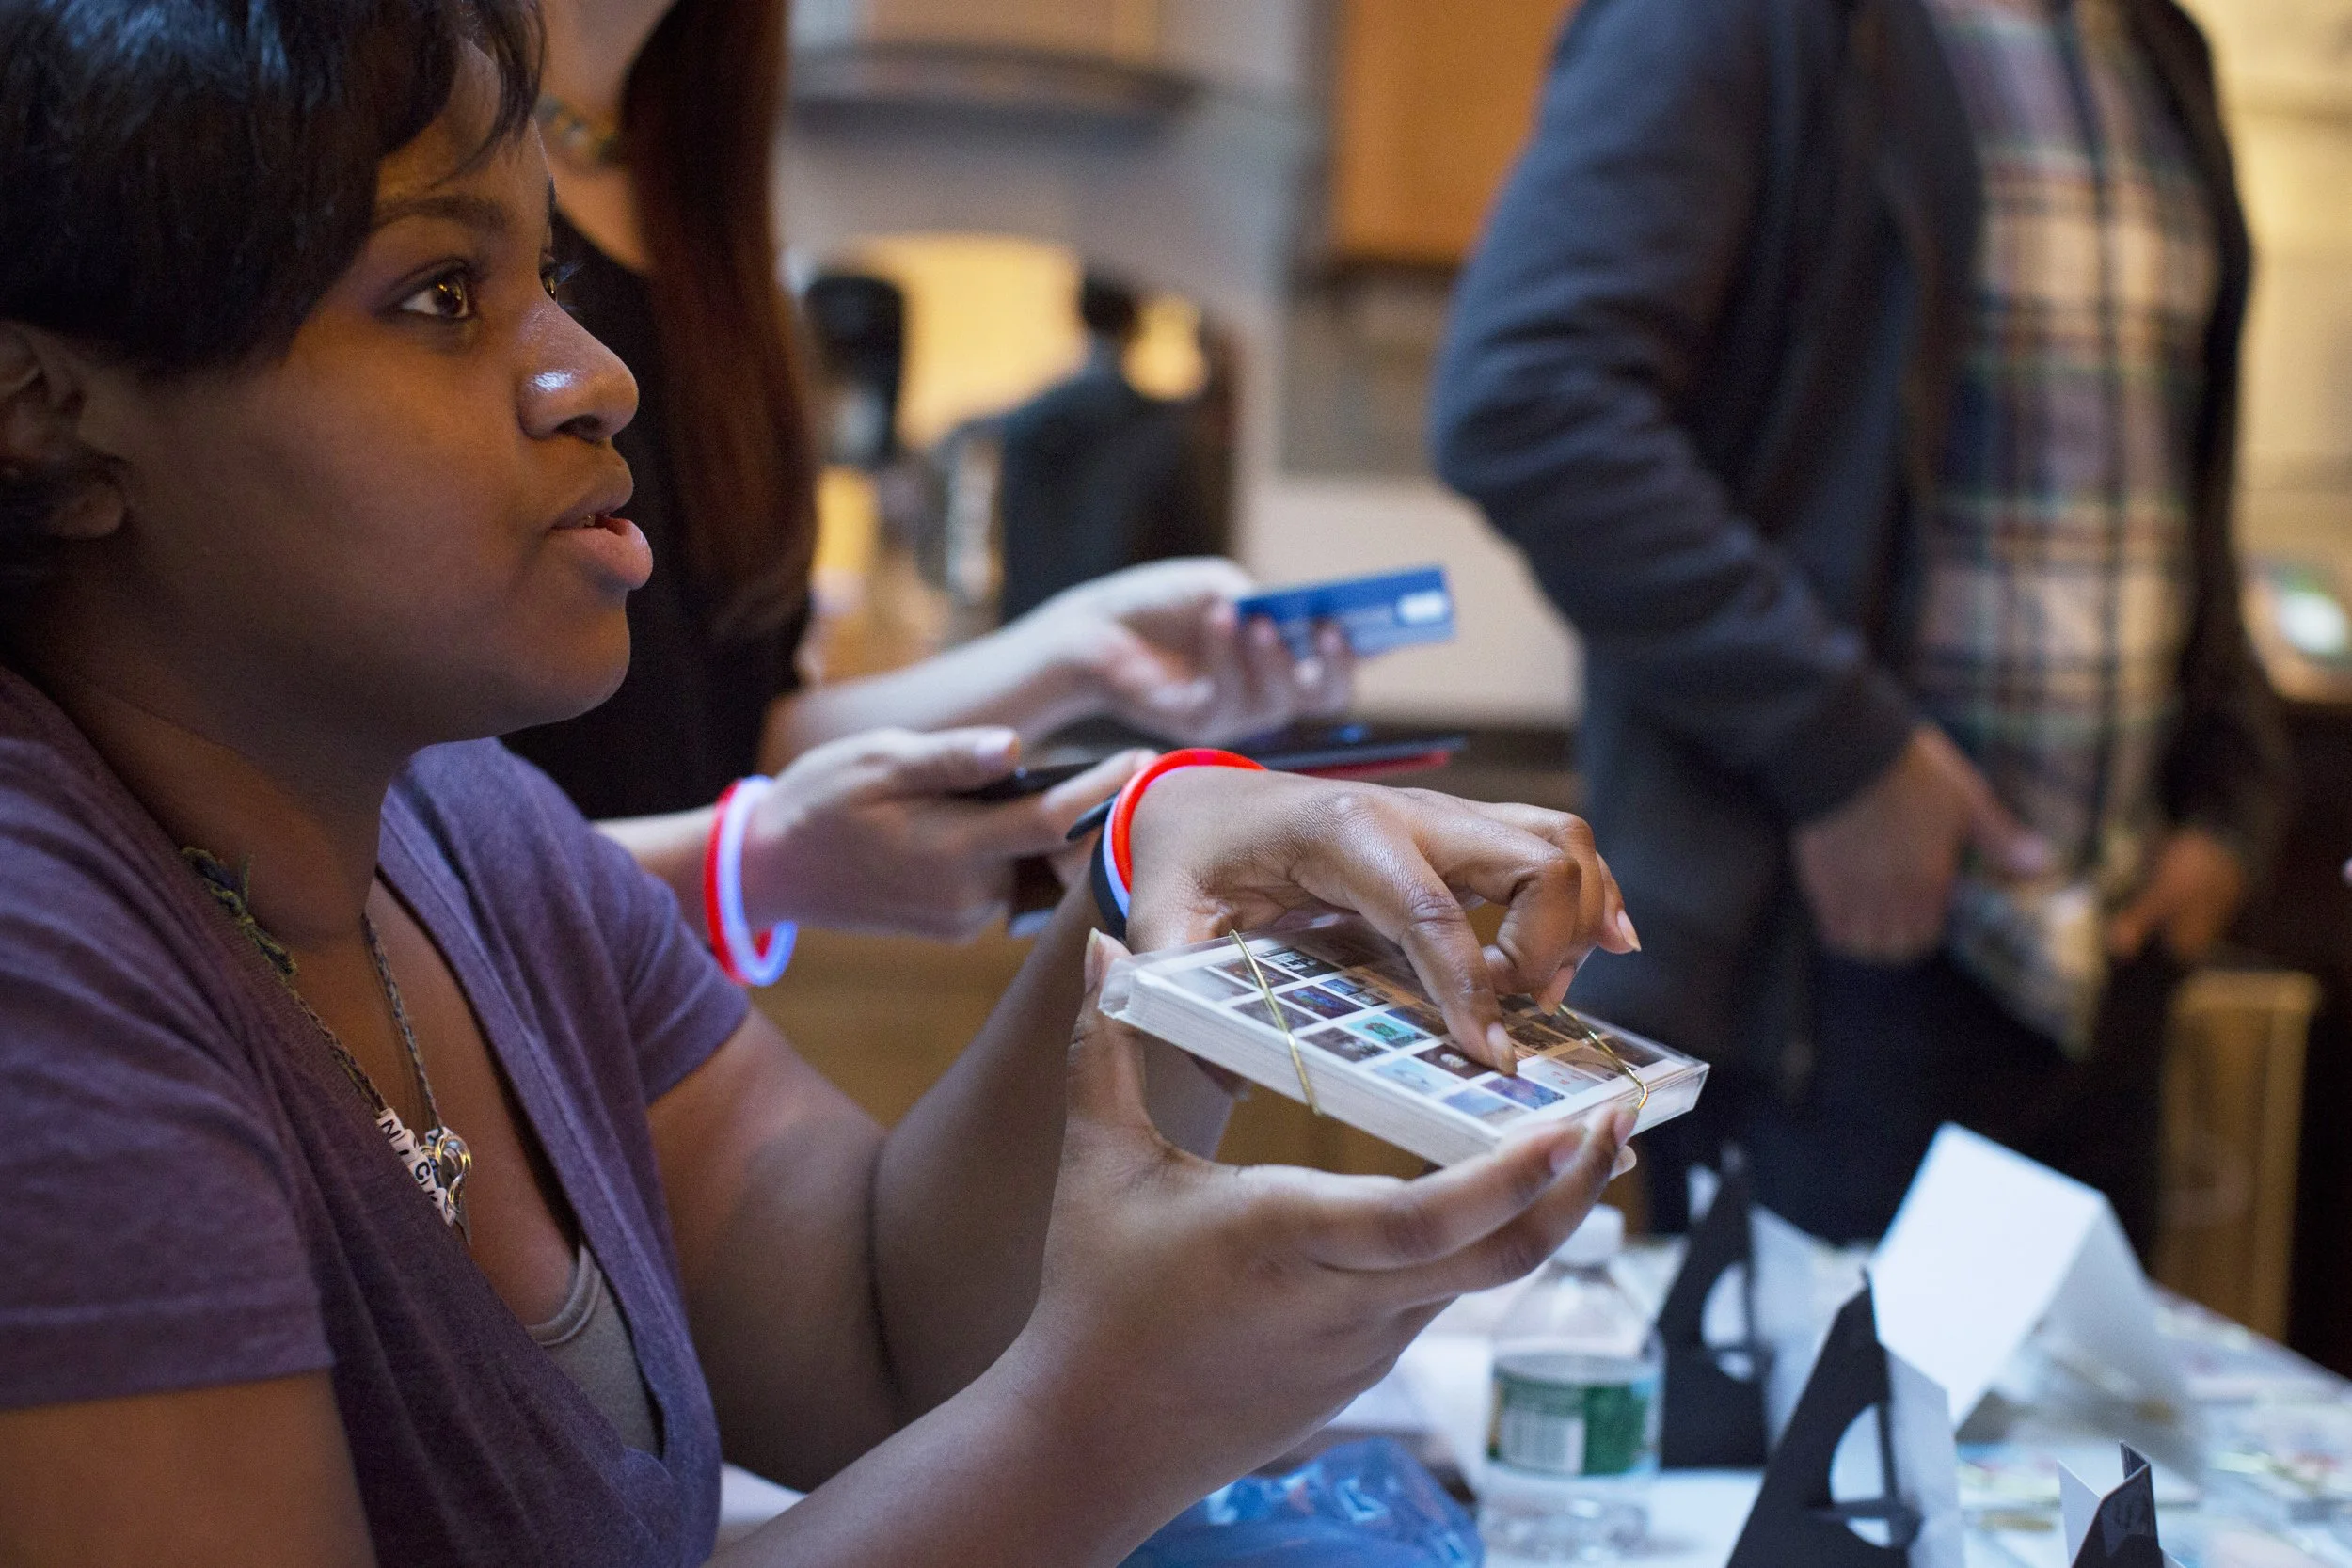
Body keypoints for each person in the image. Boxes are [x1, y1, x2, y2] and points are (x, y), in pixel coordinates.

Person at [0, 4, 1644, 1561]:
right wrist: (1107, 1421)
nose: (595, 374)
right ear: (45, 416)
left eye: (549, 270)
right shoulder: (43, 975)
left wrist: (1150, 885)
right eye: (441, 292)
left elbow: (874, 1320)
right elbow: (988, 1389)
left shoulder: (462, 825)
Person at [1430, 0, 2291, 1250]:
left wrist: (2233, 781)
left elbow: (2164, 472)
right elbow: (1531, 401)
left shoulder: (2153, 41)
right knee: (1807, 1449)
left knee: (2086, 1446)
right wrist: (1844, 746)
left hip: (2111, 964)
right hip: (1830, 976)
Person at [513, 0, 1344, 945]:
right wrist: (744, 865)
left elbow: (733, 736)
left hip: (628, 1042)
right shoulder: (402, 137)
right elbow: (367, 851)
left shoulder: (697, 207)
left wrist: (1078, 648)